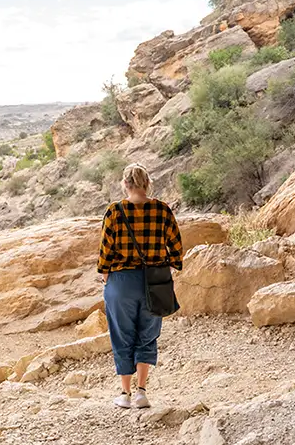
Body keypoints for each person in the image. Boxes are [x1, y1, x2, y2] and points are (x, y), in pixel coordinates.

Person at [97, 163, 183, 409]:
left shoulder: (115, 211)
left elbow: (105, 252)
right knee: (147, 336)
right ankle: (142, 393)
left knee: (122, 336)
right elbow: (176, 249)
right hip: (154, 281)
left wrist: (106, 277)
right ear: (148, 183)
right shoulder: (162, 210)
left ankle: (124, 394)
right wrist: (168, 268)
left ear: (125, 184)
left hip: (121, 282)